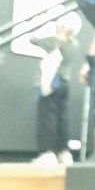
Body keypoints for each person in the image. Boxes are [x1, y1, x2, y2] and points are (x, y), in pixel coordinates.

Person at [29, 11, 82, 165]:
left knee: (47, 118)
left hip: (50, 83)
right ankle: (64, 152)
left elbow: (33, 39)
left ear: (63, 26)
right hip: (64, 84)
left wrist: (37, 22)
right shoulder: (74, 44)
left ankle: (48, 153)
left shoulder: (54, 42)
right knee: (62, 118)